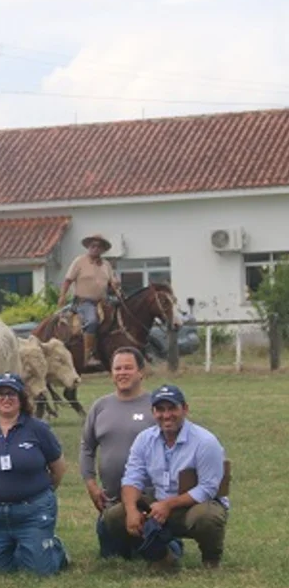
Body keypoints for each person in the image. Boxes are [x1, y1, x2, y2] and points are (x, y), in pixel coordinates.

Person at [102, 384, 229, 568]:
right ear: (153, 412)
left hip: (193, 505)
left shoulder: (205, 442)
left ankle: (211, 559)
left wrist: (168, 505)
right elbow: (132, 479)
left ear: (184, 409)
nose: (166, 415)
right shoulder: (144, 439)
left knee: (208, 517)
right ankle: (161, 557)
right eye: (160, 409)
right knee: (114, 516)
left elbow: (208, 488)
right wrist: (131, 511)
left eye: (172, 408)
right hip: (159, 503)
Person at [0, 373, 68, 576]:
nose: (7, 399)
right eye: (1, 394)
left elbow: (58, 467)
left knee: (40, 572)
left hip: (32, 510)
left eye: (12, 394)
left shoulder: (38, 429)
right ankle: (26, 547)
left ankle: (55, 550)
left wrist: (44, 492)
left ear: (21, 399)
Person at [80, 347, 155, 558]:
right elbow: (86, 446)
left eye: (128, 368)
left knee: (154, 553)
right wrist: (91, 484)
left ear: (141, 372)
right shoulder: (100, 407)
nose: (122, 373)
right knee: (112, 557)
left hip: (149, 501)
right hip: (111, 502)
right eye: (117, 368)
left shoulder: (155, 407)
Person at [57, 234, 122, 367]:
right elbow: (68, 280)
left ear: (103, 249)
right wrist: (62, 296)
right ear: (88, 247)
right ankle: (89, 356)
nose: (95, 248)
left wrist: (117, 289)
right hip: (84, 302)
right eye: (93, 246)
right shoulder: (79, 261)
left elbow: (112, 283)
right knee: (92, 321)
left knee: (121, 317)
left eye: (99, 246)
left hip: (103, 301)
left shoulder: (106, 265)